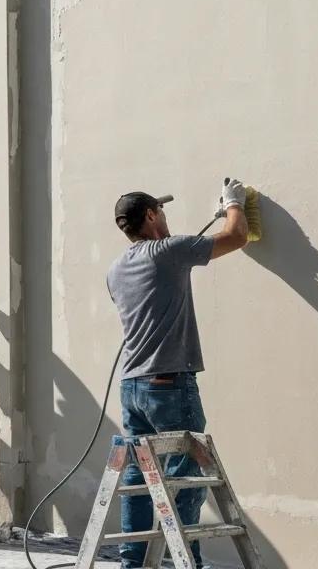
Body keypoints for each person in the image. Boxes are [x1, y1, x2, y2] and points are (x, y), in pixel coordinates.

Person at [107, 180, 249, 568]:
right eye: (162, 211)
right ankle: (190, 562)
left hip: (132, 386)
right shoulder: (168, 251)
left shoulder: (116, 269)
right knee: (184, 482)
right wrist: (233, 204)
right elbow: (237, 237)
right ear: (151, 215)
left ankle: (132, 563)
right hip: (169, 385)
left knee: (137, 482)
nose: (166, 218)